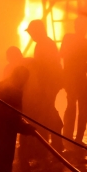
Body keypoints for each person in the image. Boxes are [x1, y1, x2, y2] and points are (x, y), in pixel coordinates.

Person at [26, 19, 64, 151]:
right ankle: (52, 143)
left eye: (31, 33)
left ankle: (53, 143)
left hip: (49, 84)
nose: (31, 35)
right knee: (47, 112)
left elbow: (47, 67)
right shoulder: (44, 44)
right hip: (47, 83)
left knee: (47, 111)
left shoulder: (45, 44)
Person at [60, 17, 87, 146]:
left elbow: (63, 55)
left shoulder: (70, 39)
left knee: (79, 107)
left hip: (75, 77)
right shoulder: (83, 42)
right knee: (74, 107)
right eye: (81, 26)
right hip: (74, 77)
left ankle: (73, 138)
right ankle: (72, 138)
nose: (83, 29)